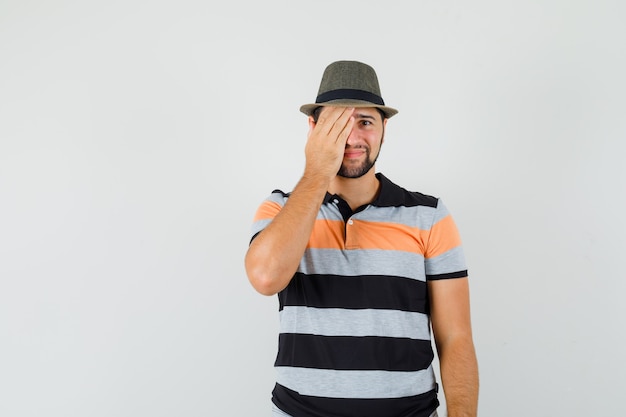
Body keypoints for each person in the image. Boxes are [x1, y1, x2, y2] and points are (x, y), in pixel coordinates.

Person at [245, 60, 479, 417]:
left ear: (384, 128)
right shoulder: (280, 209)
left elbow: (456, 338)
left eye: (365, 122)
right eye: (335, 125)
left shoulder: (429, 216)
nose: (351, 138)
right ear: (313, 129)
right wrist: (317, 169)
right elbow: (264, 278)